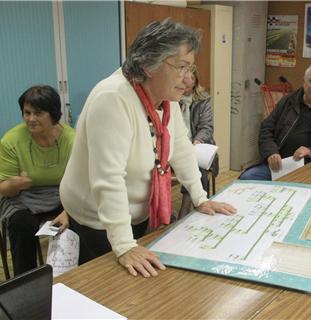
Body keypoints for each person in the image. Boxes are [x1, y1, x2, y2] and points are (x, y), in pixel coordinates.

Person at [60, 19, 236, 278]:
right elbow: (108, 179)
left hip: (138, 212)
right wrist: (123, 245)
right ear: (147, 65)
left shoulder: (165, 96)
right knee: (108, 288)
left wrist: (200, 198)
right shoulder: (112, 99)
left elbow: (181, 148)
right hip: (97, 219)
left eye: (191, 68)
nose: (188, 79)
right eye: (181, 67)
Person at [0, 85, 74, 276]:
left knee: (81, 219)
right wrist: (13, 185)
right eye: (27, 112)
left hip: (63, 194)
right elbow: (3, 188)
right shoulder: (12, 140)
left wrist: (69, 212)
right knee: (21, 224)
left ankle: (74, 277)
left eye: (38, 113)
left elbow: (80, 183)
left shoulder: (71, 139)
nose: (31, 119)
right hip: (23, 197)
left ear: (53, 114)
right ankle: (27, 282)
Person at [240, 64, 311, 180]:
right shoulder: (287, 102)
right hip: (279, 165)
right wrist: (271, 152)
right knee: (247, 178)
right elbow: (266, 128)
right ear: (304, 82)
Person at [178, 69, 218, 218]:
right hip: (177, 146)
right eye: (182, 83)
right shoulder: (170, 99)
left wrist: (197, 141)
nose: (183, 88)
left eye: (187, 85)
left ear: (195, 81)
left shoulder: (203, 100)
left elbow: (206, 127)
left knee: (196, 164)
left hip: (197, 145)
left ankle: (187, 207)